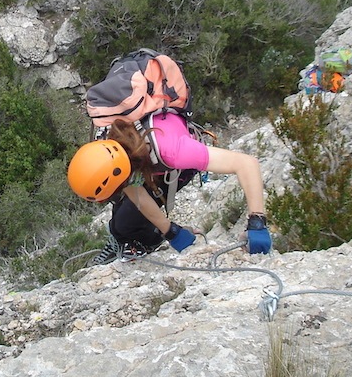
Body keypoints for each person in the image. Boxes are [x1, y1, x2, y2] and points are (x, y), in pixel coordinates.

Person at [67, 112, 271, 264]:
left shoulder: (174, 151)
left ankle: (147, 240)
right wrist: (171, 231)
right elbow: (136, 192)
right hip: (145, 164)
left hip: (175, 167)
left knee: (127, 220)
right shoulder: (109, 146)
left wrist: (257, 221)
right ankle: (131, 238)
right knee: (123, 220)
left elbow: (246, 163)